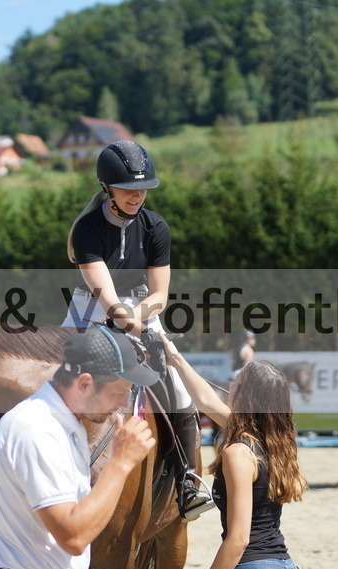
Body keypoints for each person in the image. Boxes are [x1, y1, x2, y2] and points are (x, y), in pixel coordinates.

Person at [0, 325, 158, 569]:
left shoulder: (65, 425)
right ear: (84, 384)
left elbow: (49, 535)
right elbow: (73, 535)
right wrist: (121, 463)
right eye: (119, 392)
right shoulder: (37, 430)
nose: (124, 404)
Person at [61, 139, 209, 521]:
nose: (137, 195)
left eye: (143, 188)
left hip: (142, 306)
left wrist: (139, 315)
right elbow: (106, 297)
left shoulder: (156, 226)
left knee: (176, 386)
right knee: (47, 375)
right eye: (128, 188)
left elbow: (161, 295)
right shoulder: (87, 228)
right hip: (91, 309)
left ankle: (188, 480)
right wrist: (125, 316)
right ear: (107, 187)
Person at [161, 335, 306, 569]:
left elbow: (238, 539)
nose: (229, 383)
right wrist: (174, 356)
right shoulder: (277, 440)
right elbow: (205, 398)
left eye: (236, 381)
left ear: (247, 395)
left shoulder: (238, 453)